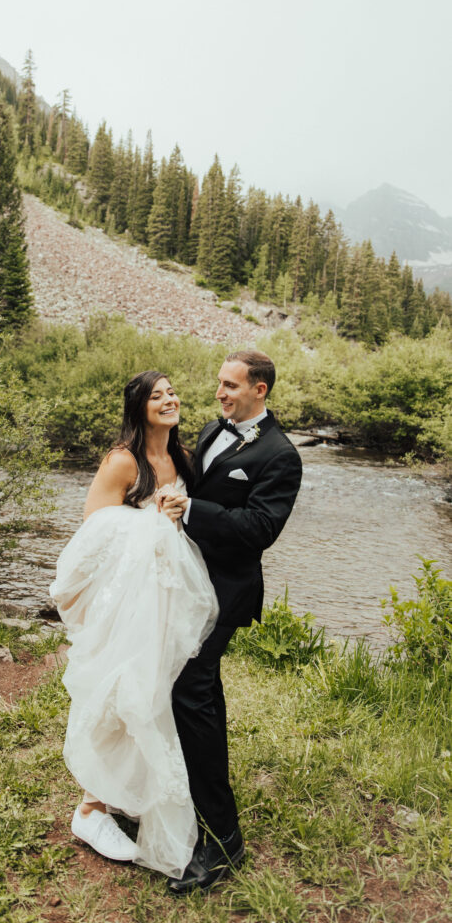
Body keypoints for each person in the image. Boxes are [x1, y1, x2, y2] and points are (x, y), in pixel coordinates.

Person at [50, 370, 219, 878]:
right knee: (121, 694)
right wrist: (155, 520)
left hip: (164, 599)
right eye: (156, 395)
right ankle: (90, 810)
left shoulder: (182, 458)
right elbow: (93, 533)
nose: (169, 399)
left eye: (172, 392)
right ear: (139, 407)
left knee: (153, 694)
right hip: (125, 603)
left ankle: (121, 793)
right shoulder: (123, 461)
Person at [159, 350, 303, 895]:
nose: (219, 393)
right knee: (194, 692)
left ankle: (222, 841)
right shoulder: (208, 429)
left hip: (224, 592)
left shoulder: (280, 455)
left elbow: (260, 528)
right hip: (183, 579)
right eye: (219, 383)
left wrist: (191, 510)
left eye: (230, 385)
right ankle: (181, 805)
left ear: (260, 390)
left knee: (190, 691)